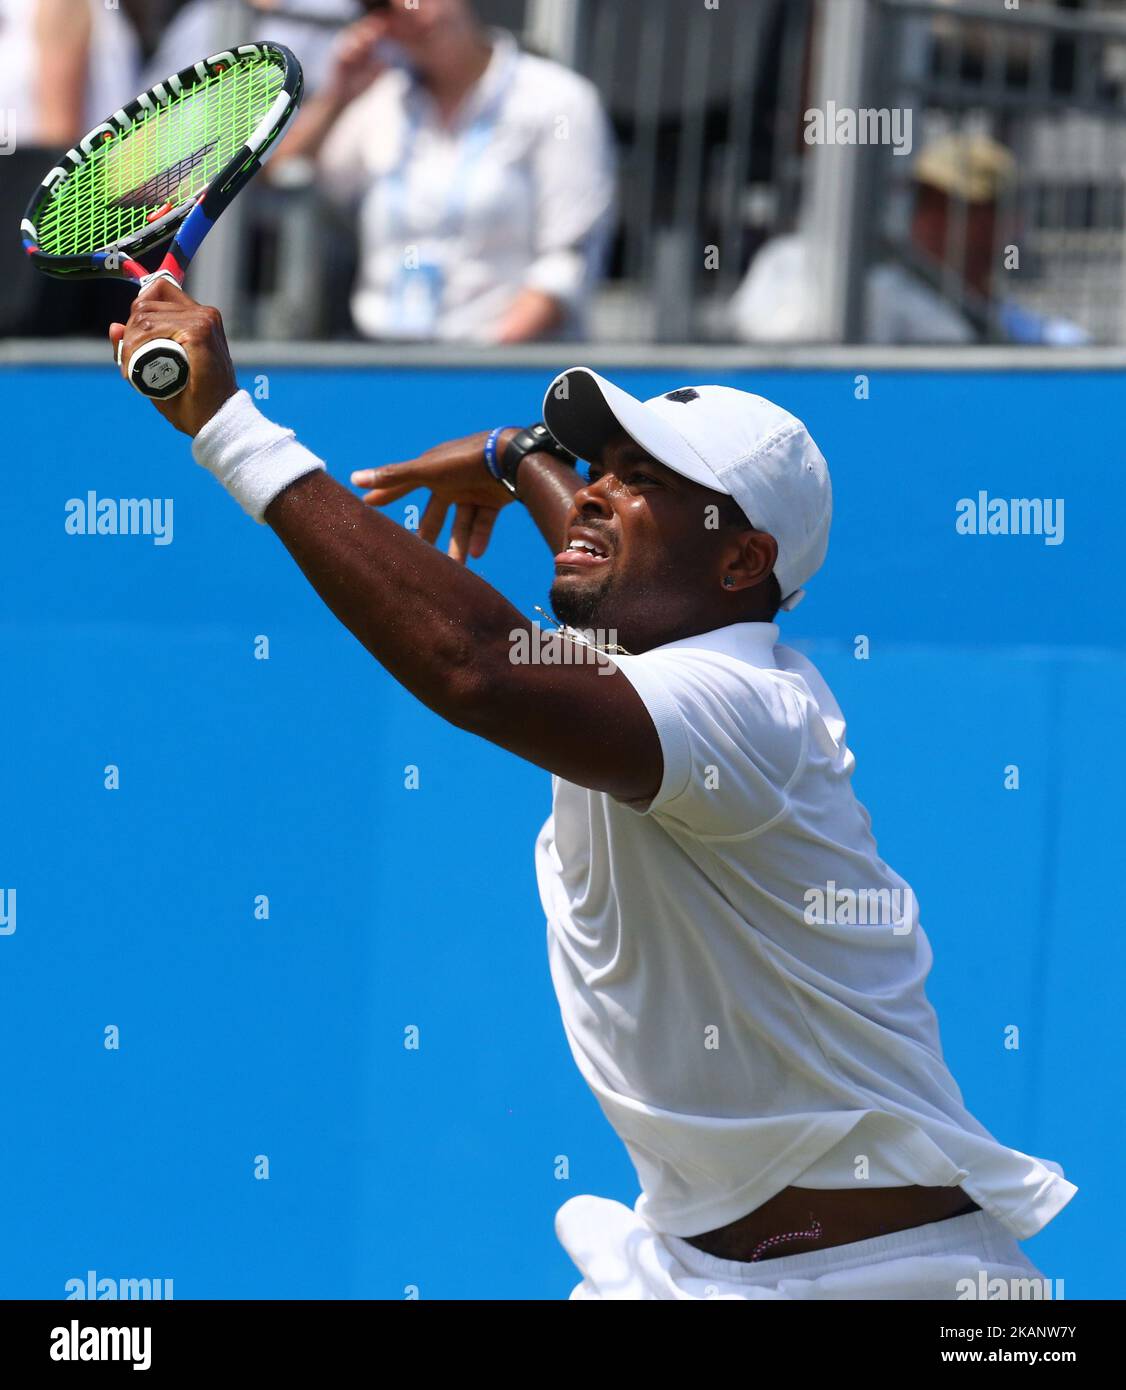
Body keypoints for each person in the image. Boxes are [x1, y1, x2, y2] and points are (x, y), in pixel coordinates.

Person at [107, 280, 1077, 1300]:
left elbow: (472, 666)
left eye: (643, 480)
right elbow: (611, 560)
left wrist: (227, 426)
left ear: (744, 556)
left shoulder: (741, 708)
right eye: (601, 471)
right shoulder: (663, 642)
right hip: (688, 1271)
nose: (600, 494)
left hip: (903, 1283)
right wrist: (518, 458)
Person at [276, 0, 616, 343]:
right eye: (385, 5)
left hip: (508, 368)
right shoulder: (378, 101)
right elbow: (281, 171)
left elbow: (568, 262)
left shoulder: (559, 100)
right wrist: (338, 95)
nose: (413, 9)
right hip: (385, 363)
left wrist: (476, 364)